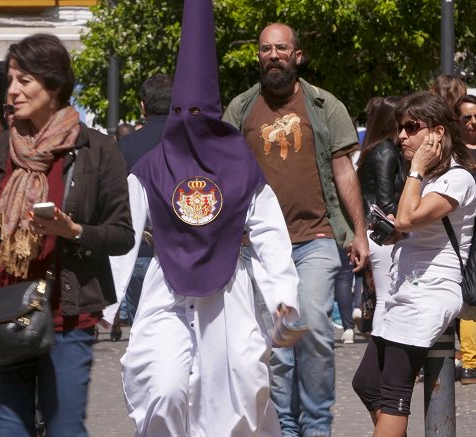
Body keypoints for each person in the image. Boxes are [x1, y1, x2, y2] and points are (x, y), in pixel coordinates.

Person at [0, 34, 134, 436]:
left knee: (64, 428)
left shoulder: (96, 150)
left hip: (68, 316)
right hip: (1, 313)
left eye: (24, 80)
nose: (12, 91)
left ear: (54, 85)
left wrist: (72, 230)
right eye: (10, 79)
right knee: (10, 427)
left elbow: (123, 235)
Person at [116, 2, 299, 435]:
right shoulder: (151, 165)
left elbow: (270, 232)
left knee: (240, 384)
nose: (189, 124)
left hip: (228, 290)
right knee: (164, 387)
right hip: (167, 290)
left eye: (197, 115)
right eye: (181, 115)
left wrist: (282, 296)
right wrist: (104, 303)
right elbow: (125, 233)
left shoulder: (239, 164)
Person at [223, 23, 369, 437]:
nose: (273, 55)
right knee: (279, 344)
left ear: (297, 56)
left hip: (317, 237)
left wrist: (358, 232)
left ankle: (317, 424)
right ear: (258, 56)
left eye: (281, 48)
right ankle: (285, 426)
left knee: (317, 329)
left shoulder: (325, 106)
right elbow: (224, 175)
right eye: (265, 49)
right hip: (261, 247)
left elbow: (344, 169)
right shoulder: (240, 109)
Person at [352, 91, 476, 437]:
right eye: (399, 128)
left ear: (437, 133)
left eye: (411, 127)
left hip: (430, 294)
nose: (402, 136)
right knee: (366, 382)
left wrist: (417, 169)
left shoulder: (457, 178)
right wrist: (395, 234)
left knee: (393, 393)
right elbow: (409, 225)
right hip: (405, 290)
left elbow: (407, 217)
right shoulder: (432, 178)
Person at [108, 73, 173, 341]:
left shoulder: (124, 147)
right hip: (181, 255)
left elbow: (114, 203)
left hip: (138, 252)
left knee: (143, 336)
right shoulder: (195, 141)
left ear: (142, 107)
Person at [356, 96, 405, 333]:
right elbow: (386, 200)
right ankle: (381, 357)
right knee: (387, 298)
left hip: (377, 231)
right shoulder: (386, 151)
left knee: (385, 298)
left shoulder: (375, 149)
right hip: (384, 232)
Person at [456, 93, 476, 385]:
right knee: (470, 295)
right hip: (464, 231)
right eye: (467, 118)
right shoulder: (454, 153)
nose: (473, 123)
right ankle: (470, 362)